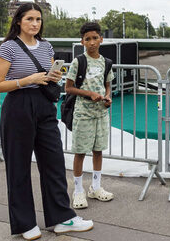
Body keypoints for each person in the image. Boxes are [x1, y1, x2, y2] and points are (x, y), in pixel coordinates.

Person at [0, 2, 93, 239]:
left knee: (54, 162)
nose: (35, 24)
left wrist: (54, 76)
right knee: (18, 167)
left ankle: (62, 218)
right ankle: (25, 223)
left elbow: (48, 77)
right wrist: (26, 80)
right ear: (18, 21)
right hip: (18, 104)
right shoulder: (8, 48)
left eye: (38, 19)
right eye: (29, 19)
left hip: (44, 105)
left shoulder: (46, 46)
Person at [65, 22, 115, 209]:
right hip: (83, 114)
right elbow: (68, 87)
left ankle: (95, 187)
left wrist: (107, 97)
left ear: (101, 39)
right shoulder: (79, 61)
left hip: (100, 114)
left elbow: (108, 84)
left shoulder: (106, 62)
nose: (92, 42)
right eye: (88, 39)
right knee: (80, 152)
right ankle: (78, 190)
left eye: (95, 38)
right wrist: (89, 94)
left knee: (98, 150)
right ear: (82, 42)